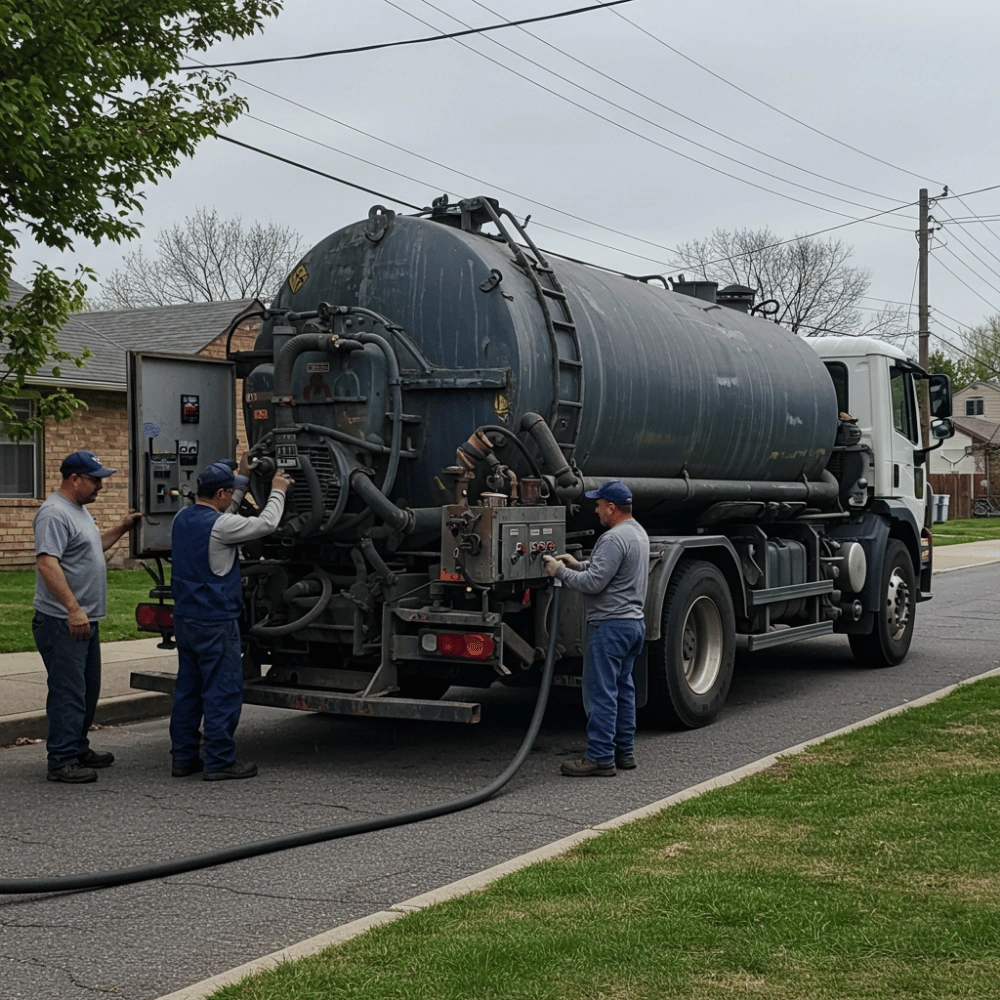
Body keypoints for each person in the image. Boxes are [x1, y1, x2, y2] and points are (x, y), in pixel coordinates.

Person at [169, 455, 292, 781]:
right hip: (214, 620)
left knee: (188, 690)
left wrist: (241, 476)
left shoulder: (181, 518)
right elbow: (266, 524)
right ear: (221, 493)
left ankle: (183, 758)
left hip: (185, 618)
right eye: (231, 491)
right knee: (222, 690)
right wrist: (278, 490)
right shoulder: (222, 526)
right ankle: (220, 761)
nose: (232, 495)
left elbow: (227, 516)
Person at [33, 451, 143, 783]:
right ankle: (62, 760)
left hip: (85, 619)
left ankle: (77, 747)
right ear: (74, 479)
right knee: (69, 690)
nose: (100, 486)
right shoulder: (53, 513)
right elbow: (47, 563)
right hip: (62, 621)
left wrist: (122, 528)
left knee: (86, 689)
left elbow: (92, 548)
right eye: (95, 480)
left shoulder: (80, 512)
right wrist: (73, 608)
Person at [543, 480, 649, 777]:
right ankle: (623, 752)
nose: (596, 509)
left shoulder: (613, 539)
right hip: (632, 625)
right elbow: (607, 572)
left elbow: (594, 584)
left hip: (609, 627)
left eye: (599, 504)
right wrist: (578, 565)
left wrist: (559, 571)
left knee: (600, 692)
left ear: (612, 508)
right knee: (623, 689)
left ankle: (600, 757)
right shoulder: (637, 533)